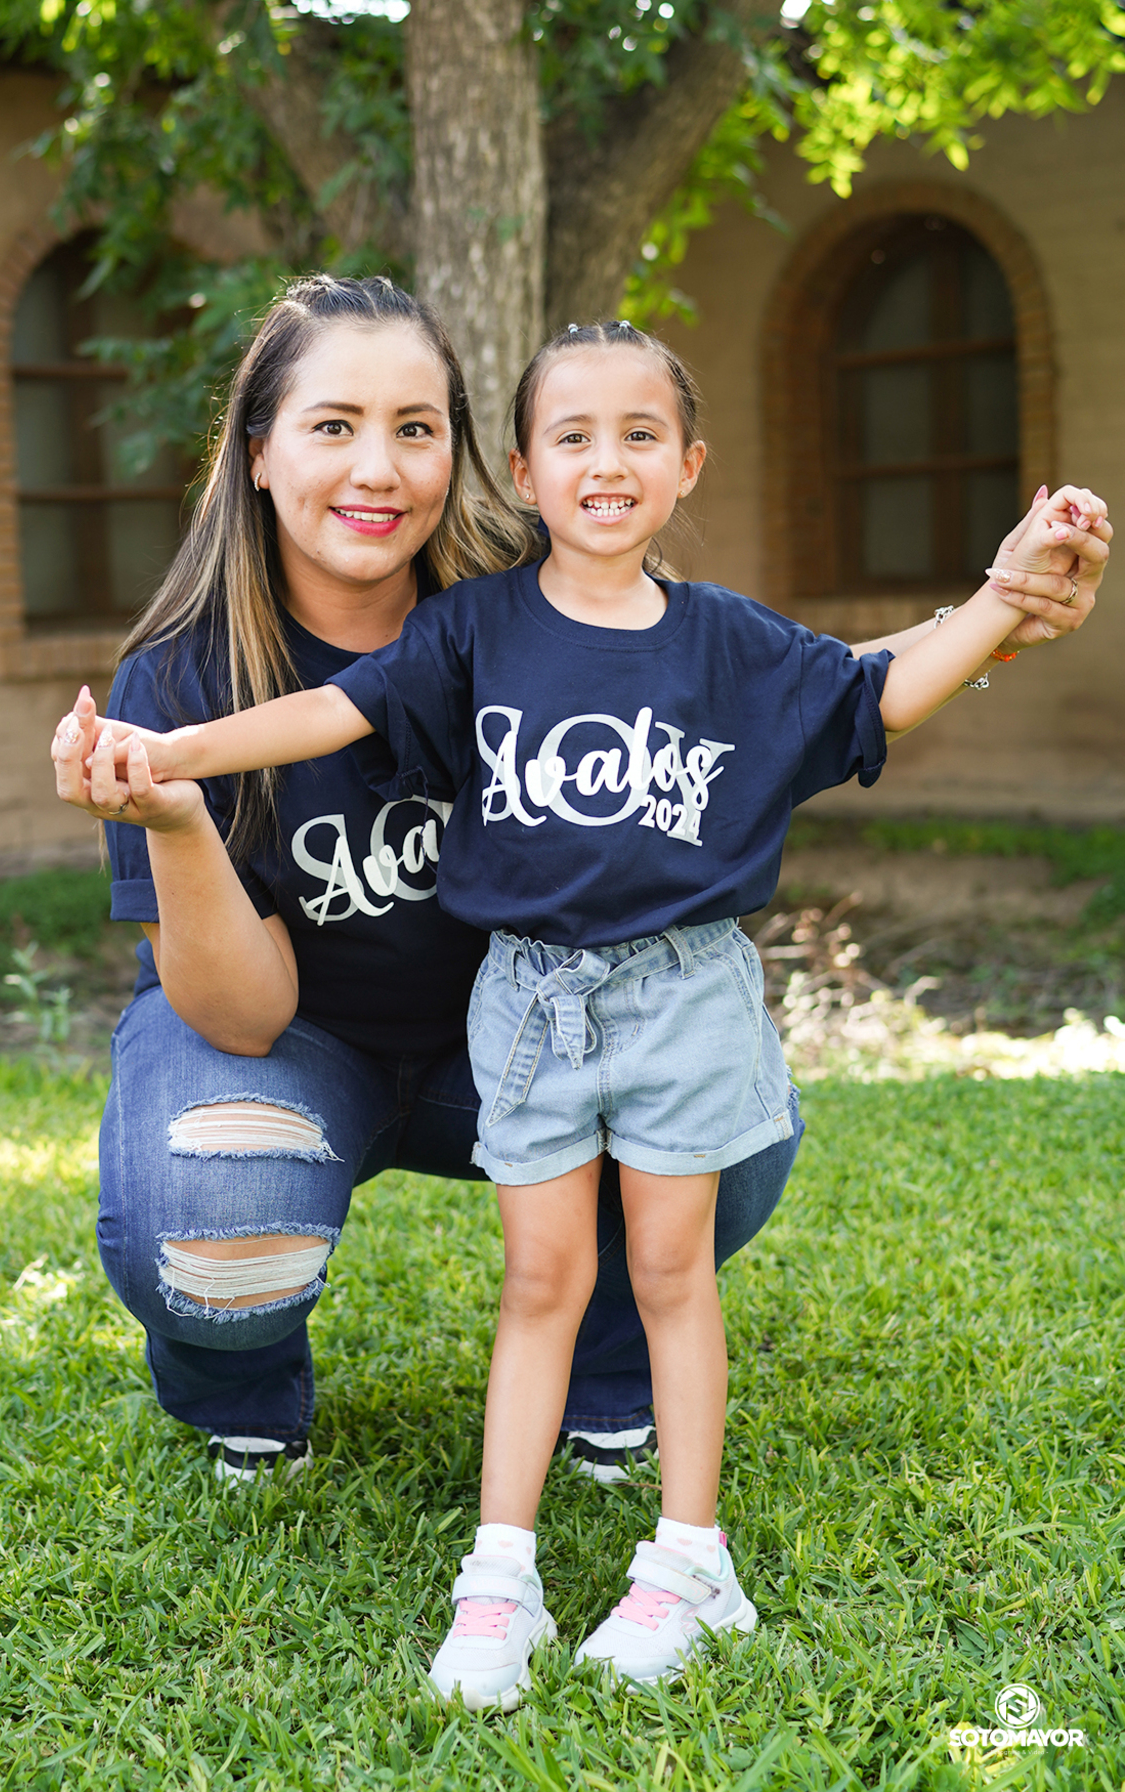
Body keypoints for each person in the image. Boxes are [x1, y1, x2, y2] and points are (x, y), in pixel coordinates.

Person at [77, 312, 1110, 1707]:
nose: (378, 463)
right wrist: (169, 763)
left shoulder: (660, 629)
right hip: (453, 1024)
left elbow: (850, 693)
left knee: (694, 1214)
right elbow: (331, 724)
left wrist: (999, 603)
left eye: (413, 428)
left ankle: (675, 1524)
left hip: (632, 1007)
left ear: (689, 464)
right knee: (472, 1262)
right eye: (332, 424)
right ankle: (408, 1511)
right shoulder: (444, 635)